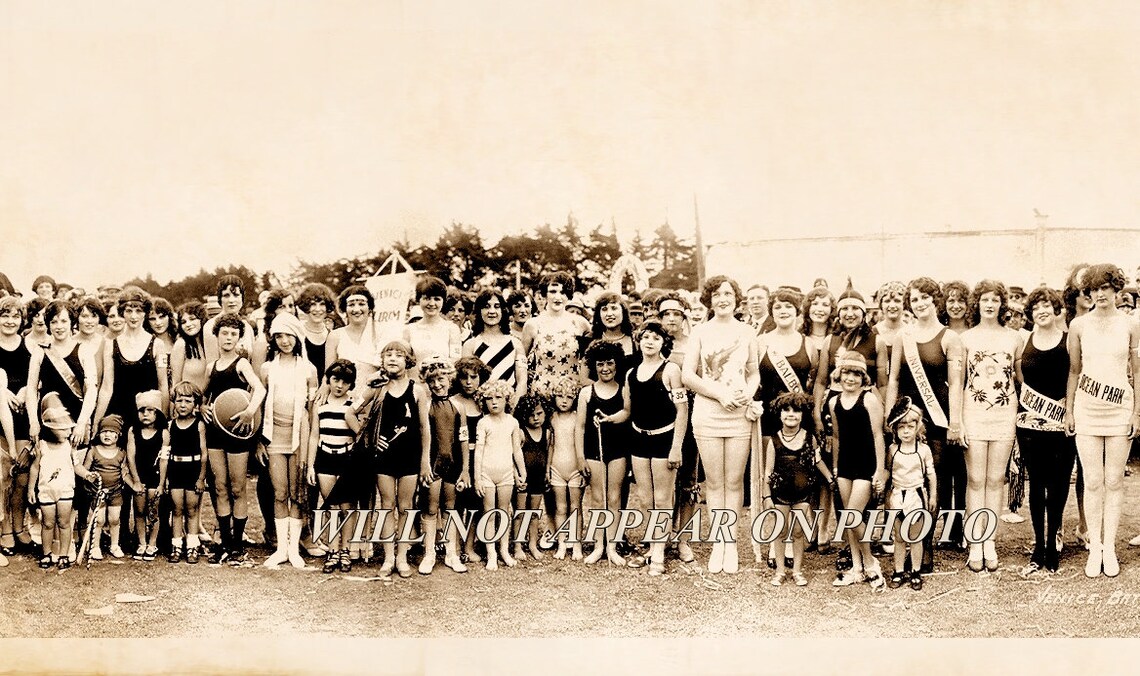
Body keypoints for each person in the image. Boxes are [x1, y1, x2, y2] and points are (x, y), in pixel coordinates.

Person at [1064, 264, 1140, 578]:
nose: (1100, 295)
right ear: (1088, 293)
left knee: (1114, 481)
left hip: (1120, 408)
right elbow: (1074, 371)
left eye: (1106, 288)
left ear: (1116, 289)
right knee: (1092, 482)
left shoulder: (1131, 324)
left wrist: (1136, 412)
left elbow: (1137, 372)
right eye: (1094, 290)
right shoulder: (1079, 326)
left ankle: (1110, 547)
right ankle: (1094, 547)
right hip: (1087, 409)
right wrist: (1069, 411)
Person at [886, 277, 965, 573]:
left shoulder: (949, 338)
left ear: (936, 301)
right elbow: (893, 379)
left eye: (926, 298)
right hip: (906, 419)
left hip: (937, 419)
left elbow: (956, 384)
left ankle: (926, 545)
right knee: (903, 480)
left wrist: (955, 422)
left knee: (932, 482)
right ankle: (903, 544)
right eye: (915, 299)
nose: (920, 304)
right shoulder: (902, 337)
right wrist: (888, 417)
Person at [681, 275, 760, 574]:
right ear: (709, 300)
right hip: (708, 411)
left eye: (728, 293)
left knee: (734, 481)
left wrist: (746, 394)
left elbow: (753, 373)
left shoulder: (748, 332)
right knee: (714, 482)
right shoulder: (700, 332)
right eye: (717, 294)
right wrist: (720, 394)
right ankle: (719, 544)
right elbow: (689, 375)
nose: (723, 298)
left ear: (736, 298)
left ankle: (731, 546)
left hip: (738, 413)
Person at [959, 280, 1024, 572]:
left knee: (996, 480)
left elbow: (1021, 381)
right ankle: (975, 541)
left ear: (1001, 305)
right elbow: (959, 383)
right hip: (973, 413)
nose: (989, 304)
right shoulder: (966, 338)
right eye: (984, 299)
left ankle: (989, 542)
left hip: (1004, 413)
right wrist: (957, 421)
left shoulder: (1014, 338)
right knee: (975, 480)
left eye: (995, 300)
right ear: (978, 303)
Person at [619, 322, 687, 576]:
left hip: (664, 439)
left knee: (662, 499)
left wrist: (676, 447)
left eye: (655, 338)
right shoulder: (631, 373)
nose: (649, 341)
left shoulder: (671, 370)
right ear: (638, 341)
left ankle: (658, 552)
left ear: (663, 343)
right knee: (646, 499)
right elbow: (627, 411)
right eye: (645, 337)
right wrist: (606, 417)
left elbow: (682, 411)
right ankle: (653, 544)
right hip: (639, 440)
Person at [1014, 287, 1074, 572]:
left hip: (1061, 424)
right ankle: (1039, 545)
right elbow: (1019, 377)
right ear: (1031, 312)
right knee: (1037, 485)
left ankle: (1053, 542)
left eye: (1048, 305)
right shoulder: (1024, 340)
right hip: (1030, 426)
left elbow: (1076, 375)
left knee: (1059, 485)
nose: (1042, 310)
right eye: (1037, 306)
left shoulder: (1068, 340)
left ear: (1056, 309)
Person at [201, 312, 266, 564]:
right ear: (216, 336)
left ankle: (238, 544)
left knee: (238, 486)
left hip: (238, 432)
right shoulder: (211, 367)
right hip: (216, 432)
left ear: (239, 338)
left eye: (233, 334)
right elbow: (201, 396)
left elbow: (259, 388)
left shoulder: (241, 363)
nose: (228, 338)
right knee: (219, 486)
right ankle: (225, 543)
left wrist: (250, 411)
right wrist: (201, 408)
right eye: (224, 333)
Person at [363, 340, 431, 578]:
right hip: (384, 457)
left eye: (398, 355)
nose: (393, 359)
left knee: (406, 507)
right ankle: (388, 557)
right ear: (382, 361)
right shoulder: (378, 388)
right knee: (386, 505)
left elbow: (424, 428)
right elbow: (356, 412)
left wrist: (425, 461)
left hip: (410, 456)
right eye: (388, 355)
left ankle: (402, 556)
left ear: (407, 360)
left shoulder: (417, 390)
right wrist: (372, 440)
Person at [259, 314, 318, 569]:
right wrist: (259, 441)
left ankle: (294, 550)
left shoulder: (308, 368)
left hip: (299, 437)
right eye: (279, 336)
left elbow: (312, 409)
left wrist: (311, 443)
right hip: (274, 436)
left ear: (297, 337)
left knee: (298, 493)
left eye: (289, 335)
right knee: (280, 492)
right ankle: (281, 549)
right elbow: (260, 406)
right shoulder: (267, 368)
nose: (284, 341)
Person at [828, 352, 887, 588]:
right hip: (845, 465)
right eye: (846, 372)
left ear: (863, 377)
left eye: (855, 374)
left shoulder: (869, 399)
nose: (850, 378)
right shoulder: (834, 402)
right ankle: (857, 566)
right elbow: (836, 437)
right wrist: (834, 466)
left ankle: (871, 562)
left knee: (853, 516)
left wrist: (880, 469)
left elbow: (877, 435)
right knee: (848, 518)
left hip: (866, 464)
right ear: (838, 374)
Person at [764, 392, 832, 587]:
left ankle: (797, 571)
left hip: (802, 494)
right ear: (779, 414)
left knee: (798, 531)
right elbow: (767, 471)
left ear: (803, 415)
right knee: (780, 530)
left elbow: (817, 461)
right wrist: (766, 495)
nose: (791, 414)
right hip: (779, 494)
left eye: (796, 410)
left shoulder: (809, 438)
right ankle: (779, 571)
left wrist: (830, 478)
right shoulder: (774, 441)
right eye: (786, 410)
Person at [576, 340, 632, 567]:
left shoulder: (624, 390)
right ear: (594, 366)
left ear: (617, 364)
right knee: (598, 498)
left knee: (615, 498)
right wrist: (580, 457)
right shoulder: (586, 393)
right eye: (600, 364)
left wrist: (612, 418)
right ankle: (599, 545)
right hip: (592, 450)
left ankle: (613, 545)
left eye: (610, 363)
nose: (605, 368)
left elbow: (627, 413)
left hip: (618, 450)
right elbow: (579, 427)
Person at [307, 359, 360, 573]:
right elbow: (313, 436)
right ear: (328, 378)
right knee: (331, 507)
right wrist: (311, 466)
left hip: (347, 459)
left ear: (351, 385)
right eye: (336, 379)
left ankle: (345, 550)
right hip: (325, 457)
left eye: (345, 382)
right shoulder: (320, 403)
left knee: (347, 507)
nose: (339, 386)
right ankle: (332, 549)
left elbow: (359, 434)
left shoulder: (353, 403)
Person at [418, 357, 470, 574]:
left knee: (451, 508)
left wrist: (466, 469)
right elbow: (422, 435)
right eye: (432, 381)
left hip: (453, 464)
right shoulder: (426, 405)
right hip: (432, 463)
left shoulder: (459, 406)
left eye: (441, 379)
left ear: (450, 379)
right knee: (430, 508)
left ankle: (452, 554)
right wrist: (424, 464)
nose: (437, 384)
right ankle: (429, 554)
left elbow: (463, 438)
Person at [884, 397, 938, 591]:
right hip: (898, 495)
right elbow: (888, 473)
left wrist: (932, 496)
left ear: (918, 427)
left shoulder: (923, 450)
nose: (906, 431)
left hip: (917, 496)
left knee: (915, 536)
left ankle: (915, 571)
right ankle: (898, 571)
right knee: (899, 536)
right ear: (895, 430)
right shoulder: (892, 449)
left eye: (910, 426)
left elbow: (931, 475)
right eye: (901, 427)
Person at [473, 379, 525, 571]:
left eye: (498, 398)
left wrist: (522, 471)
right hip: (487, 474)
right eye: (489, 398)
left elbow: (516, 450)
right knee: (489, 513)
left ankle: (504, 550)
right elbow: (478, 452)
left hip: (506, 474)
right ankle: (491, 553)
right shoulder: (483, 422)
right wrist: (477, 477)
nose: (493, 402)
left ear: (506, 399)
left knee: (504, 511)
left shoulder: (513, 422)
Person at [0, 297, 34, 554]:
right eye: (5, 316)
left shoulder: (28, 346)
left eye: (15, 317)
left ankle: (21, 526)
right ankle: (6, 530)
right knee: (3, 479)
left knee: (21, 476)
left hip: (22, 414)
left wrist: (23, 392)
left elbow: (35, 379)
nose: (10, 321)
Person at [521, 272, 591, 397]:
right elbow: (520, 363)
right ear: (545, 293)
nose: (558, 297)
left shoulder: (581, 323)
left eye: (563, 292)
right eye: (553, 291)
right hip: (541, 396)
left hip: (570, 395)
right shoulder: (532, 324)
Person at [161, 381, 209, 564]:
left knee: (192, 509)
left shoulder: (199, 425)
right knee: (177, 508)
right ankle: (176, 546)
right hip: (175, 470)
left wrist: (201, 478)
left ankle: (192, 546)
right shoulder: (170, 425)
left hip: (193, 470)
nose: (183, 405)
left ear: (195, 404)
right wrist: (164, 479)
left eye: (188, 401)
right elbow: (165, 453)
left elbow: (204, 454)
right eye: (179, 401)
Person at [29, 393, 77, 569]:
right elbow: (35, 468)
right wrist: (30, 490)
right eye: (63, 428)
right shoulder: (41, 446)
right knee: (47, 523)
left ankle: (64, 554)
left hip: (65, 490)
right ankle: (47, 553)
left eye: (68, 428)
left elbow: (76, 466)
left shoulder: (69, 446)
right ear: (50, 428)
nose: (68, 431)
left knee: (64, 522)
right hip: (46, 490)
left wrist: (88, 475)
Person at [75, 414, 134, 560]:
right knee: (99, 520)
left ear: (118, 435)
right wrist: (89, 475)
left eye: (111, 432)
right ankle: (95, 547)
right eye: (104, 431)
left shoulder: (121, 453)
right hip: (97, 492)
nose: (107, 434)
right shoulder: (94, 451)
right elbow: (84, 469)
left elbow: (124, 473)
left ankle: (114, 545)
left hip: (115, 492)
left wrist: (134, 485)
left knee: (114, 519)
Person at [462, 289, 528, 406]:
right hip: (478, 408)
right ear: (479, 310)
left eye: (497, 306)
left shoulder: (515, 343)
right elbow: (466, 381)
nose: (492, 311)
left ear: (503, 310)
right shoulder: (470, 345)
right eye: (486, 306)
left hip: (508, 409)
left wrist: (513, 408)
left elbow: (522, 381)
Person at [126, 390, 169, 561]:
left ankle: (152, 543)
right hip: (139, 476)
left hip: (155, 476)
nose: (146, 414)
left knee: (153, 512)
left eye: (150, 410)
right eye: (142, 410)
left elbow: (164, 460)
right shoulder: (133, 431)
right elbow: (130, 456)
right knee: (139, 510)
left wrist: (161, 483)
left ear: (157, 413)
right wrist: (136, 480)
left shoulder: (164, 433)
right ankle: (141, 542)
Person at [548, 375, 586, 561]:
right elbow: (551, 445)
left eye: (569, 397)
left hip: (574, 469)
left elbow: (582, 444)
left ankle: (576, 543)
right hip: (556, 468)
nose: (564, 400)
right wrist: (548, 467)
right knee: (560, 508)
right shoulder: (552, 418)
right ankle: (562, 544)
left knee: (575, 507)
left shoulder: (578, 417)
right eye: (560, 396)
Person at [325, 285, 382, 399]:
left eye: (361, 304)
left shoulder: (381, 333)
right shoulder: (335, 336)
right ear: (345, 309)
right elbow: (328, 374)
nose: (356, 309)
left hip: (374, 397)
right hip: (344, 400)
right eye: (351, 305)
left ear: (369, 307)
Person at [513, 394, 550, 563]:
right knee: (520, 513)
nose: (535, 418)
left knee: (534, 513)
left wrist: (547, 473)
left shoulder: (547, 432)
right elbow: (512, 455)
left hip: (538, 478)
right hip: (523, 479)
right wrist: (516, 475)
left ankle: (533, 545)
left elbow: (548, 454)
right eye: (531, 414)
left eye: (539, 413)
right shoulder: (521, 432)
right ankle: (518, 546)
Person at [404, 277, 463, 380]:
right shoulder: (409, 330)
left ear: (443, 301)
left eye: (437, 299)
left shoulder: (451, 329)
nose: (432, 304)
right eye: (427, 298)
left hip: (441, 387)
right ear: (419, 300)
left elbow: (455, 361)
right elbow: (405, 363)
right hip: (415, 387)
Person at [203, 275, 255, 363]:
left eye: (236, 295)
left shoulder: (248, 328)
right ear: (220, 299)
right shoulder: (211, 326)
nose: (231, 300)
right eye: (226, 295)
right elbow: (212, 366)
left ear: (242, 298)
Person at [296, 283, 336, 384]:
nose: (318, 309)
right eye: (313, 304)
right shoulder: (298, 334)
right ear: (305, 306)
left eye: (322, 304)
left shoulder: (333, 335)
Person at [171, 302, 209, 393]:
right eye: (183, 322)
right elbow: (175, 383)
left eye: (192, 319)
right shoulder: (181, 344)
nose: (188, 324)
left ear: (202, 319)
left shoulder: (210, 343)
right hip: (189, 402)